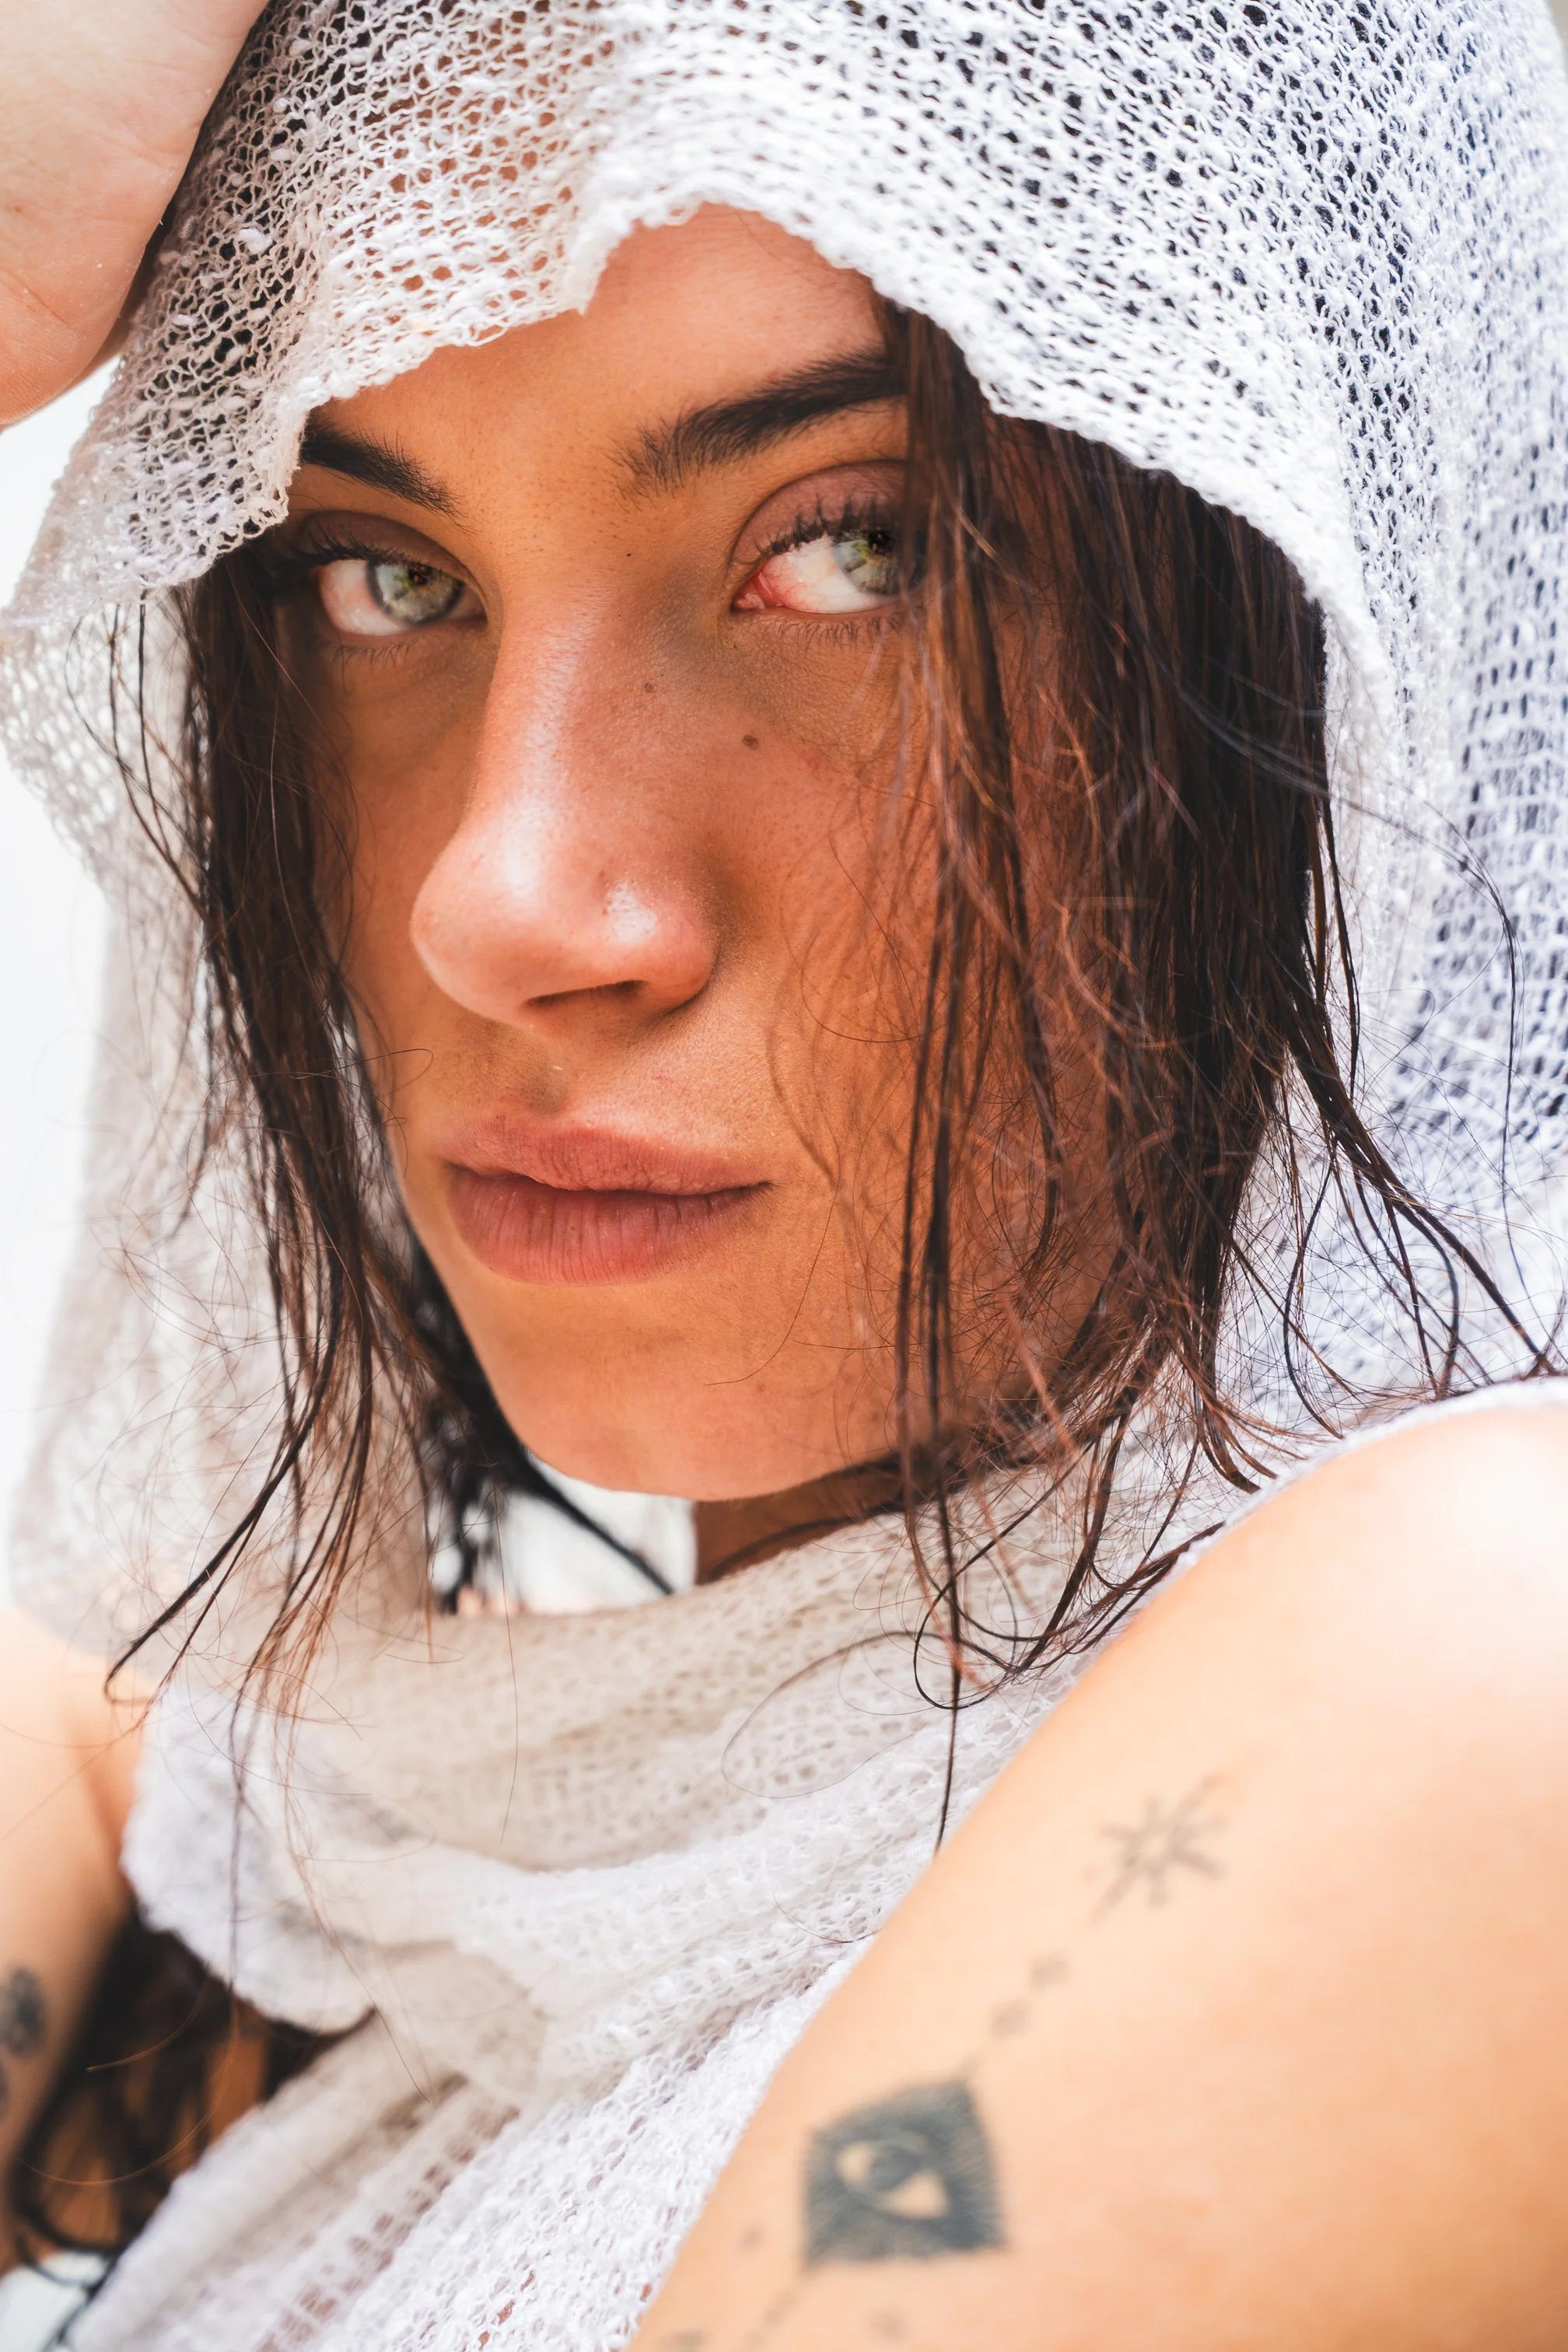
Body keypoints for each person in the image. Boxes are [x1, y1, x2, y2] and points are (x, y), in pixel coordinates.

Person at [2, 1, 1567, 2344]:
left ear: (1364, 608)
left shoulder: (1489, 1667)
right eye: (381, 576)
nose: (503, 901)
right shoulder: (383, 1840)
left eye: (858, 549)